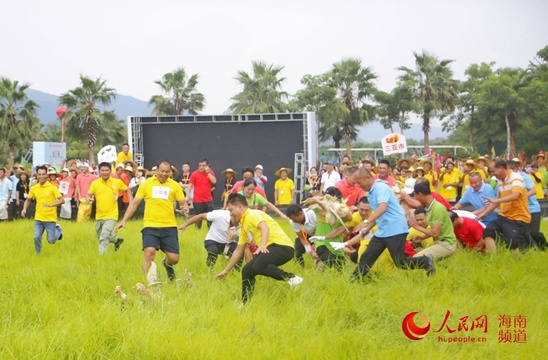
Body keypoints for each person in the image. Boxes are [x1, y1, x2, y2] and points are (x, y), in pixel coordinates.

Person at [346, 167, 435, 280]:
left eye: (359, 182)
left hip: (395, 229)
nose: (358, 185)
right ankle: (353, 282)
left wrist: (366, 222)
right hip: (383, 231)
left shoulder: (380, 188)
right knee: (366, 258)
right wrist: (368, 228)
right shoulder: (371, 193)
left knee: (400, 262)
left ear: (368, 178)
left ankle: (425, 261)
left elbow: (382, 208)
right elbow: (378, 214)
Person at [215, 194, 303, 306]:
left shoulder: (252, 214)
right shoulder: (244, 224)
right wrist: (226, 270)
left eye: (231, 210)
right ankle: (245, 303)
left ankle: (292, 278)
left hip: (282, 247)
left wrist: (262, 245)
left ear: (240, 207)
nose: (230, 214)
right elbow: (238, 250)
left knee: (258, 265)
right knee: (247, 270)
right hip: (272, 248)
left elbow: (264, 227)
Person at [115, 160, 189, 282]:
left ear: (170, 172)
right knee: (149, 253)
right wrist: (124, 220)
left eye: (167, 172)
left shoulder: (175, 185)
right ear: (156, 171)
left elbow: (182, 203)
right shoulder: (146, 184)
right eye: (162, 171)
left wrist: (184, 209)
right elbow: (134, 203)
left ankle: (167, 264)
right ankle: (146, 282)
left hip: (169, 226)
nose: (164, 174)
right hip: (150, 225)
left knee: (174, 259)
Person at [477, 160, 531, 253]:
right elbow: (498, 199)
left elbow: (515, 195)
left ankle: (518, 262)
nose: (492, 174)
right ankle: (493, 259)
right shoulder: (500, 181)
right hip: (504, 216)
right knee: (488, 231)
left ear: (501, 168)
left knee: (510, 241)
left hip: (518, 217)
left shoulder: (515, 177)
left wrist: (497, 200)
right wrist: (484, 213)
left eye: (493, 171)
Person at [87, 162, 131, 255]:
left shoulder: (117, 182)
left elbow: (127, 189)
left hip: (112, 216)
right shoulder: (95, 183)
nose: (105, 172)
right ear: (99, 171)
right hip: (99, 216)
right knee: (102, 237)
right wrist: (89, 198)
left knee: (103, 238)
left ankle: (102, 259)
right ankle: (117, 241)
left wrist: (131, 202)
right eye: (102, 170)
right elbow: (89, 194)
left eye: (107, 170)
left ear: (110, 171)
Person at [21, 165, 64, 254]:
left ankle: (58, 230)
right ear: (36, 175)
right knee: (36, 237)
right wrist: (24, 209)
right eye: (39, 174)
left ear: (46, 175)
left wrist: (51, 204)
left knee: (51, 241)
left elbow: (62, 200)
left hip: (50, 218)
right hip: (39, 217)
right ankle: (38, 254)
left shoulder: (52, 187)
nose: (41, 176)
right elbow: (28, 199)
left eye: (43, 174)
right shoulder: (34, 188)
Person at [409, 181, 457, 260]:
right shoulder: (430, 207)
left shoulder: (437, 208)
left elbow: (435, 233)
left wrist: (416, 226)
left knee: (416, 260)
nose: (416, 199)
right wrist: (422, 238)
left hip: (446, 245)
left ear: (420, 194)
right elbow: (436, 229)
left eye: (415, 196)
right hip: (441, 243)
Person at [508, 159, 547, 250]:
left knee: (534, 232)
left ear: (516, 169)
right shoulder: (507, 180)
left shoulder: (524, 176)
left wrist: (521, 197)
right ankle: (528, 251)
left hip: (532, 208)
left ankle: (544, 247)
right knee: (523, 233)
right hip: (520, 210)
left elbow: (533, 191)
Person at [188, 159, 217, 229]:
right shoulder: (195, 174)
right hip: (197, 200)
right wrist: (187, 196)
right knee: (198, 218)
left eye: (203, 165)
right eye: (200, 165)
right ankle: (197, 231)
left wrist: (208, 173)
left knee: (210, 217)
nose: (201, 167)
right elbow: (190, 185)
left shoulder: (210, 172)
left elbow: (214, 181)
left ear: (207, 166)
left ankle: (210, 230)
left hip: (208, 199)